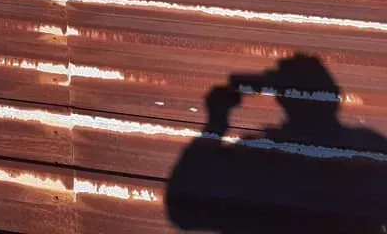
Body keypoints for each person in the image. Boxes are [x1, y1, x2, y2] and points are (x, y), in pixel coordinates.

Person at [166, 54, 387, 233]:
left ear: (282, 99)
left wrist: (216, 124)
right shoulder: (371, 151)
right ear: (335, 95)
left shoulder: (256, 158)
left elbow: (184, 209)